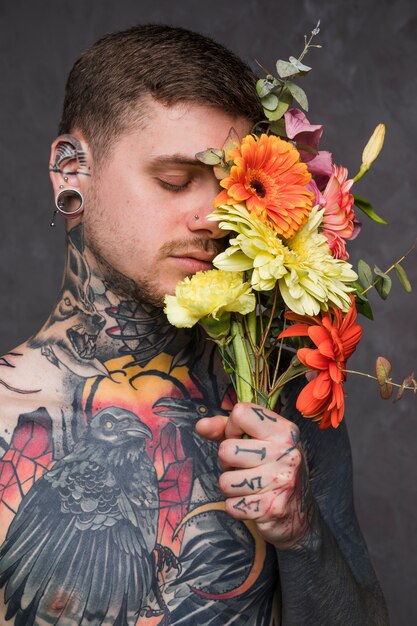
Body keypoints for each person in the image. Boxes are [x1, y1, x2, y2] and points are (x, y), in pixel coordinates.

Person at [0, 24, 389, 626]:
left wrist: (302, 532)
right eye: (175, 180)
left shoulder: (280, 404)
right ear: (71, 171)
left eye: (231, 189)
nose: (212, 218)